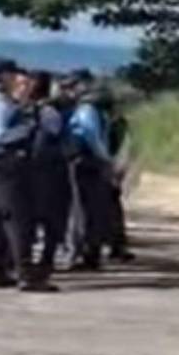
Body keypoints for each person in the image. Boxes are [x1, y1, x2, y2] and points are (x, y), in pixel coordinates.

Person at [0, 59, 56, 293]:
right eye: (13, 74)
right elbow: (1, 134)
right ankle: (26, 275)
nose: (17, 78)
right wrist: (30, 127)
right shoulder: (1, 103)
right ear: (4, 76)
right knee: (18, 220)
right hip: (9, 164)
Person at [66, 70, 113, 271]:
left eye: (73, 85)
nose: (70, 90)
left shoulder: (86, 110)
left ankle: (86, 253)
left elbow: (92, 138)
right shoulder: (92, 108)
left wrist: (105, 160)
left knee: (83, 209)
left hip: (86, 163)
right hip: (91, 162)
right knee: (90, 208)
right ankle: (89, 251)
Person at [29, 70, 71, 278]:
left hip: (28, 170)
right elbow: (59, 136)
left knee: (30, 216)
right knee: (53, 217)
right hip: (51, 170)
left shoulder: (25, 110)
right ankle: (46, 258)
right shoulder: (50, 113)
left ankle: (26, 258)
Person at [100, 90, 135, 263]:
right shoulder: (116, 123)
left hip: (109, 167)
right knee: (112, 208)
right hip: (111, 167)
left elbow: (123, 148)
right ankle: (116, 245)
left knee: (110, 207)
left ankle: (115, 245)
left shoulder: (112, 123)